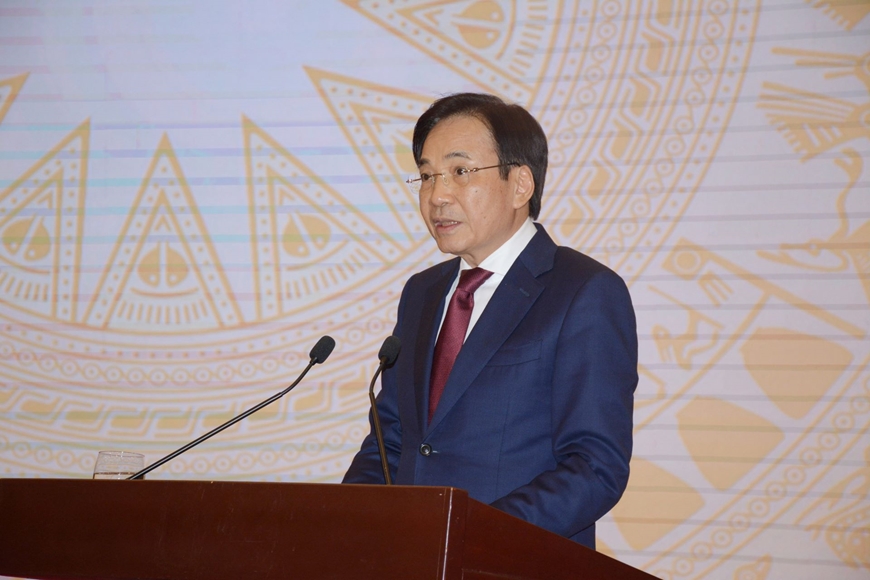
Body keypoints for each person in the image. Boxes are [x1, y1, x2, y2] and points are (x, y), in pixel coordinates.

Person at [343, 92, 638, 549]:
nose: (437, 195)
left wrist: (470, 535)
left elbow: (595, 467)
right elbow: (389, 441)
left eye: (460, 172)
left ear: (520, 184)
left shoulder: (583, 291)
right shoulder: (422, 293)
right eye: (427, 175)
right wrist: (348, 526)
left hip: (509, 560)